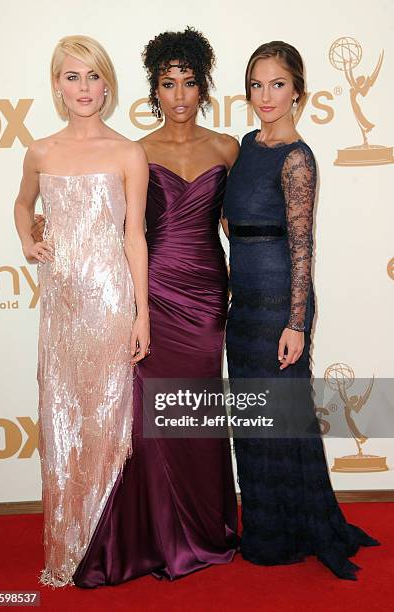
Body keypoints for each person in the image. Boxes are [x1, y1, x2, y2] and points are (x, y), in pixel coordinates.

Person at [72, 27, 239, 587]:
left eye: (190, 83)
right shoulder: (136, 150)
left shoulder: (226, 148)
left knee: (199, 407)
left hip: (209, 292)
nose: (180, 95)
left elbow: (235, 224)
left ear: (203, 86)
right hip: (156, 291)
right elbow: (119, 229)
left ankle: (206, 527)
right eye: (169, 84)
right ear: (154, 89)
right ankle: (160, 533)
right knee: (152, 418)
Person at [223, 41, 379, 580]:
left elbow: (302, 246)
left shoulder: (297, 156)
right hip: (241, 304)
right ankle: (267, 526)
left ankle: (285, 534)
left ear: (298, 92)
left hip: (276, 307)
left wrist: (296, 322)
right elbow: (234, 218)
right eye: (257, 85)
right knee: (254, 419)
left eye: (278, 85)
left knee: (279, 419)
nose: (266, 96)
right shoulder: (246, 145)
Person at [14, 35, 149, 587]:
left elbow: (135, 236)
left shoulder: (127, 152)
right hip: (61, 310)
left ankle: (104, 546)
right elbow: (23, 204)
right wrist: (27, 240)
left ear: (108, 85)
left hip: (112, 302)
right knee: (63, 421)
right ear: (56, 85)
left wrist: (141, 313)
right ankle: (66, 544)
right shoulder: (40, 151)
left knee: (108, 423)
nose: (83, 88)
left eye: (93, 77)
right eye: (72, 77)